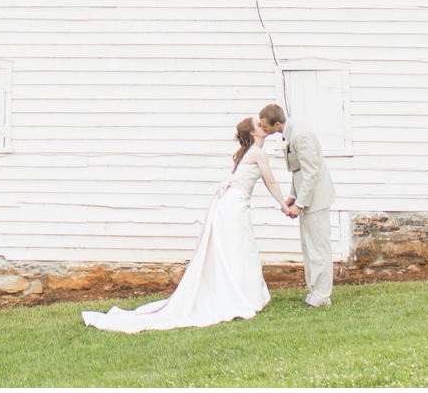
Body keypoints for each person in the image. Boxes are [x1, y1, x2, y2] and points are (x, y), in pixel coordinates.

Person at [81, 117, 291, 333]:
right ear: (253, 134)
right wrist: (284, 206)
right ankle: (239, 296)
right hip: (233, 208)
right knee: (238, 249)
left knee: (238, 249)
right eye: (259, 126)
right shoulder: (257, 153)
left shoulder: (247, 153)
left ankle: (244, 293)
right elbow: (271, 182)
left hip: (231, 205)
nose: (263, 127)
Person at [258, 103, 335, 308]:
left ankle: (322, 295)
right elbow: (298, 170)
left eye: (265, 126)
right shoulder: (288, 133)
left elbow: (311, 171)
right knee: (308, 246)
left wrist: (300, 204)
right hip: (306, 196)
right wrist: (293, 195)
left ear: (276, 123)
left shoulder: (300, 135)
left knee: (319, 247)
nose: (263, 129)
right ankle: (314, 291)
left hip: (316, 199)